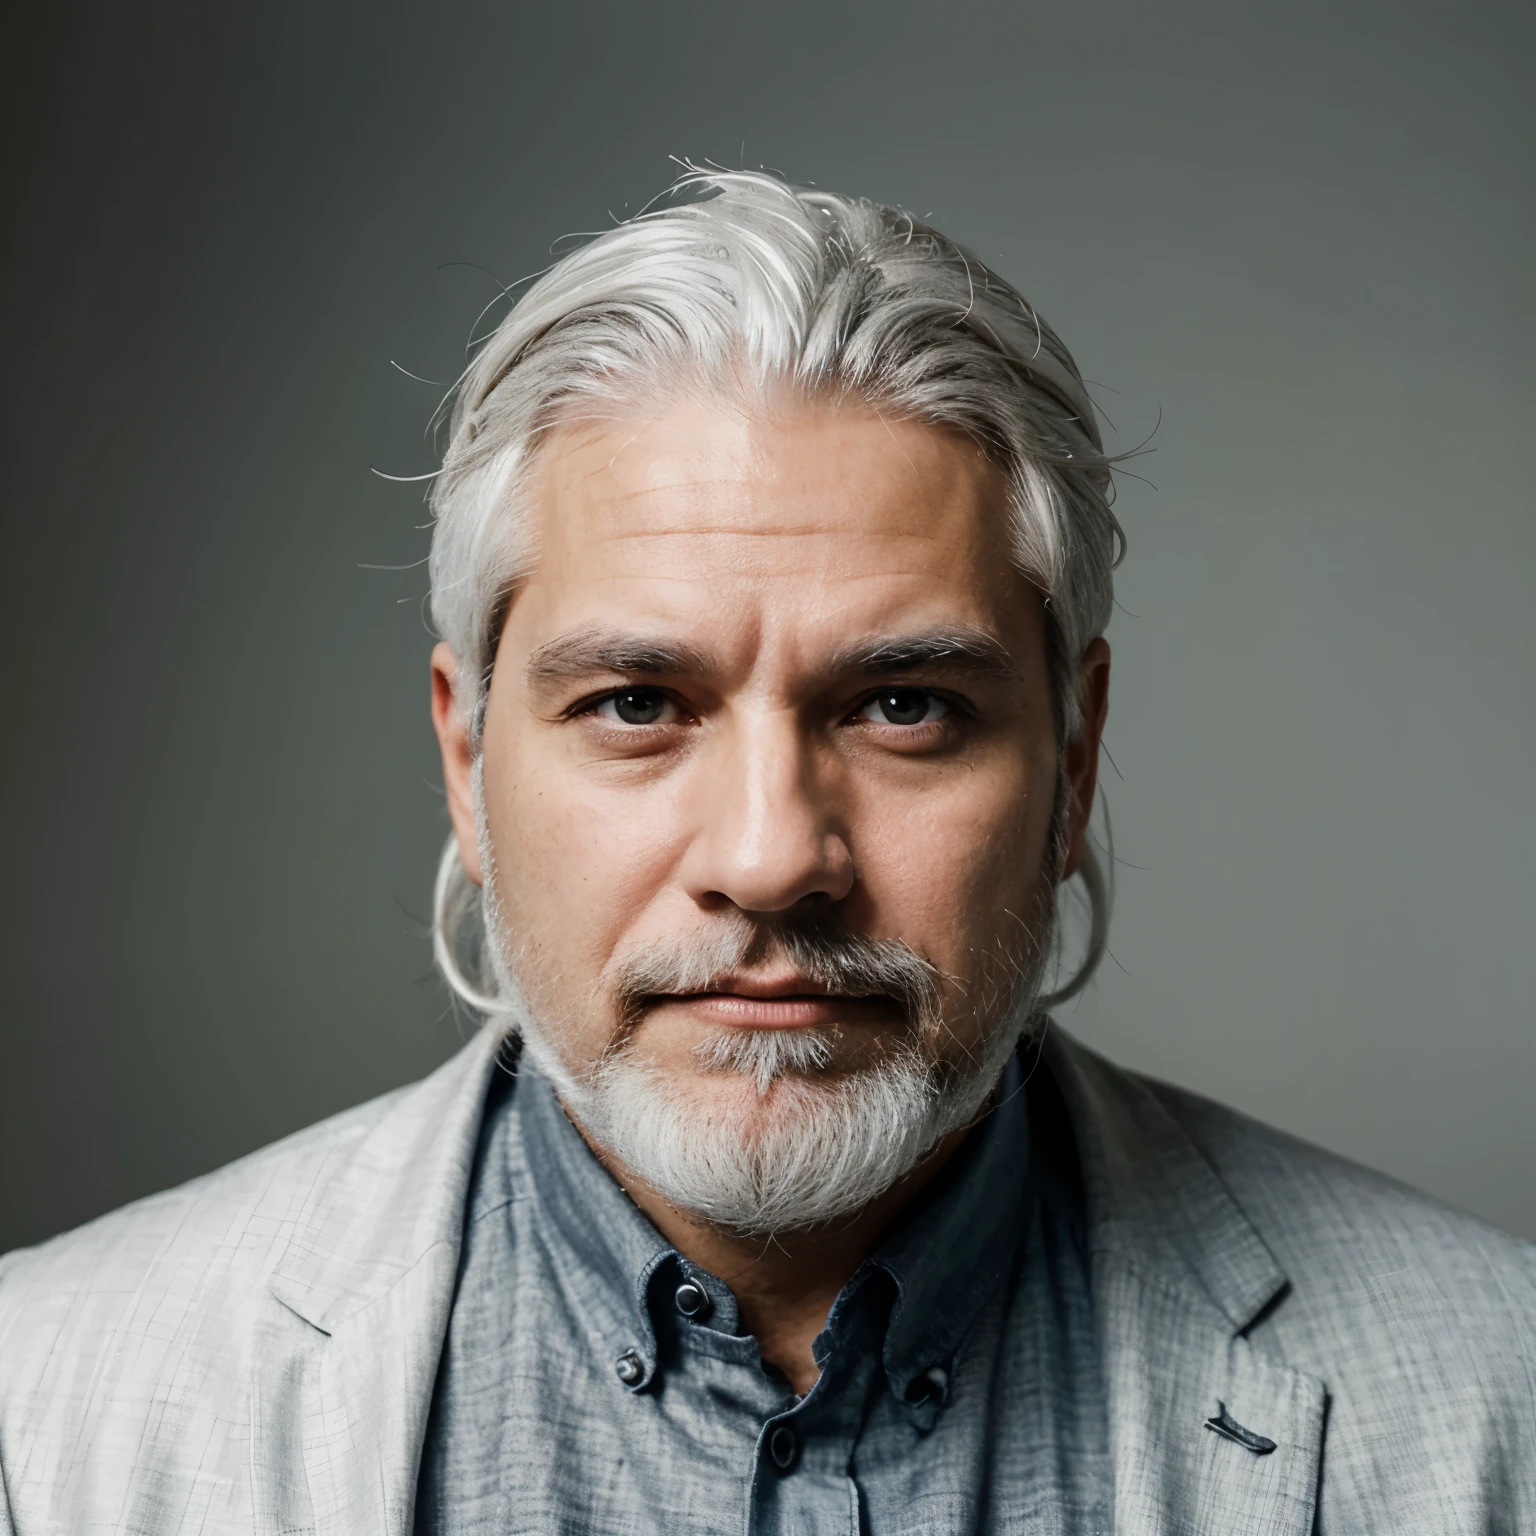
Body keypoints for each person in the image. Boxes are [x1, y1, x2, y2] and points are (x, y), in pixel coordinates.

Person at [1, 171, 1531, 1536]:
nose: (772, 857)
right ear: (468, 762)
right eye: (638, 704)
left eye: (905, 706)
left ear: (1072, 760)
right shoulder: (47, 1412)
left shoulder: (1493, 1403)